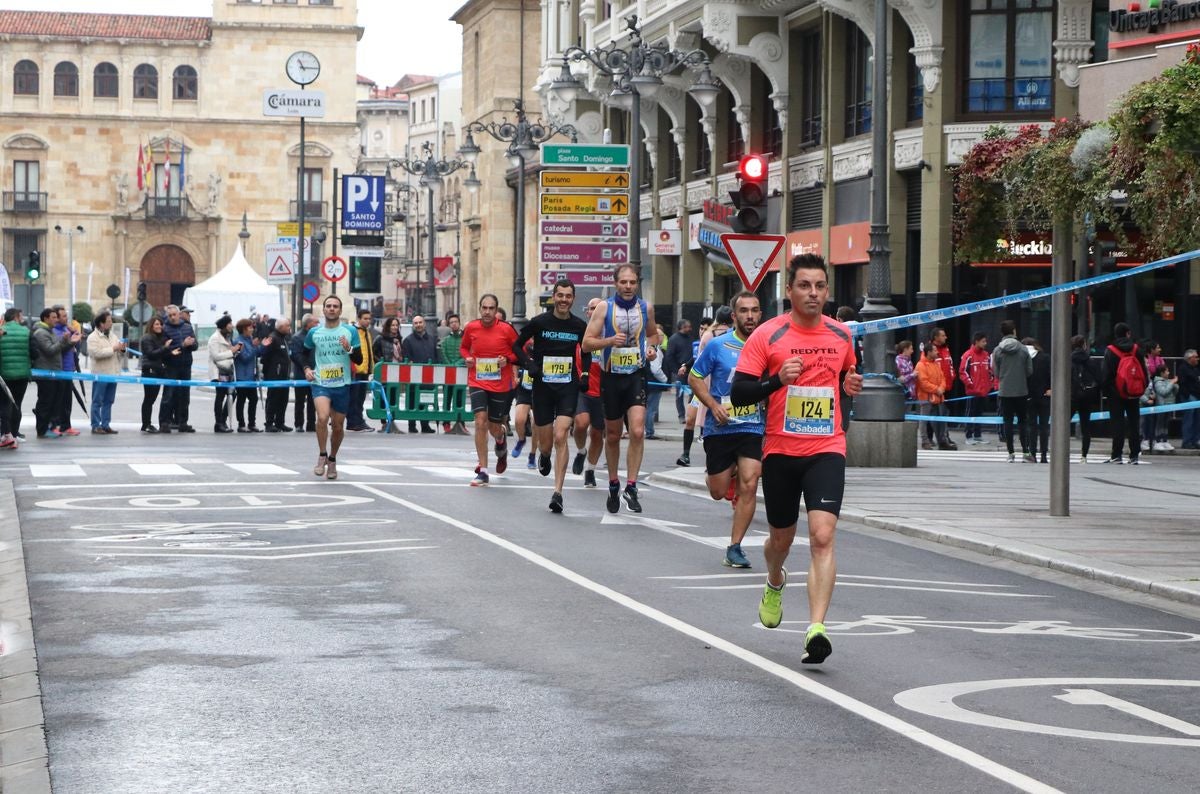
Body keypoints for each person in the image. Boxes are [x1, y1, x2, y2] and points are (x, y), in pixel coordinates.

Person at [730, 254, 863, 665]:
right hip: (780, 451)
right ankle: (774, 580)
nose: (813, 293)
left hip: (827, 448)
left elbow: (845, 379)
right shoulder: (768, 335)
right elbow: (739, 393)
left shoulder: (842, 335)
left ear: (827, 291)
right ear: (789, 291)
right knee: (781, 541)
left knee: (823, 535)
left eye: (820, 286)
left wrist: (850, 384)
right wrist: (777, 381)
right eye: (804, 286)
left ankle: (816, 628)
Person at [689, 291, 763, 570]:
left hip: (752, 426)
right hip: (720, 427)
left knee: (751, 482)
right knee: (719, 491)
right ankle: (726, 472)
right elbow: (695, 377)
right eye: (744, 311)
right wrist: (712, 405)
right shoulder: (718, 346)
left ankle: (735, 547)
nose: (750, 316)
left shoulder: (766, 346)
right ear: (734, 316)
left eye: (755, 310)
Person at [583, 264, 661, 513]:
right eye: (623, 282)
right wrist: (608, 341)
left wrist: (651, 349)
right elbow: (586, 344)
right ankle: (614, 482)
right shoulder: (605, 308)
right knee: (614, 435)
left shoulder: (645, 307)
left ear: (638, 283)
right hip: (611, 378)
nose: (628, 286)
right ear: (616, 283)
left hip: (636, 375)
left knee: (637, 431)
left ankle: (632, 485)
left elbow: (653, 335)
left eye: (632, 282)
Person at [512, 278, 590, 513]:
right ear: (554, 297)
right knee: (547, 443)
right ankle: (544, 456)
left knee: (561, 435)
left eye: (568, 296)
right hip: (543, 388)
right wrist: (529, 364)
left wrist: (584, 373)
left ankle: (558, 492)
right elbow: (517, 346)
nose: (564, 300)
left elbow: (585, 352)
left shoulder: (578, 325)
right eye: (560, 295)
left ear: (573, 299)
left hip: (567, 386)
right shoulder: (539, 322)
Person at [461, 293, 519, 486]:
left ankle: (500, 439)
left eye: (491, 308)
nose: (487, 312)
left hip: (500, 384)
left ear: (496, 310)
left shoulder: (506, 330)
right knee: (480, 421)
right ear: (480, 309)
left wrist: (507, 360)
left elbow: (519, 351)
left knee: (494, 427)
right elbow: (464, 348)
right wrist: (467, 359)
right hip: (477, 380)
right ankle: (483, 470)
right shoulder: (471, 327)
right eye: (484, 308)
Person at [302, 295, 362, 480]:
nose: (332, 309)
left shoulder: (350, 331)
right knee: (322, 417)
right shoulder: (315, 333)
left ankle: (333, 458)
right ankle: (322, 455)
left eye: (335, 306)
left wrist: (349, 349)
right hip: (321, 383)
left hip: (342, 384)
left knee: (337, 426)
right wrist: (306, 369)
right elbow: (303, 353)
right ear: (324, 310)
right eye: (328, 306)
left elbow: (359, 360)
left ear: (340, 310)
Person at [677, 313, 724, 466]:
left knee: (707, 426)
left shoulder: (715, 341)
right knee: (689, 419)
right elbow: (697, 358)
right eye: (701, 328)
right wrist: (685, 365)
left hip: (712, 388)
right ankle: (685, 454)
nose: (702, 331)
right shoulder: (699, 343)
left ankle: (711, 461)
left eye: (706, 328)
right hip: (698, 387)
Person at [572, 298, 606, 489]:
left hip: (604, 391)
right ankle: (580, 450)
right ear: (587, 312)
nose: (595, 311)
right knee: (581, 424)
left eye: (599, 308)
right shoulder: (581, 335)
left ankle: (590, 470)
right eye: (592, 308)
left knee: (597, 432)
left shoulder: (609, 336)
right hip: (583, 389)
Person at [1103, 322, 1146, 465]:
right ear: (1128, 333)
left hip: (1115, 393)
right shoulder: (1136, 349)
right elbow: (1143, 372)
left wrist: (1110, 390)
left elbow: (1106, 375)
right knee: (1134, 423)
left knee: (1117, 423)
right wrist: (1141, 388)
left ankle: (1117, 455)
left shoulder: (1110, 350)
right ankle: (1134, 455)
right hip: (1133, 392)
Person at [31, 307, 77, 439]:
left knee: (52, 403)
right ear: (46, 319)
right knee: (45, 403)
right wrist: (63, 340)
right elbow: (50, 350)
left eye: (56, 317)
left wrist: (69, 340)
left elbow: (59, 348)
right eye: (53, 317)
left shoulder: (49, 332)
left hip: (54, 373)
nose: (56, 320)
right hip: (46, 374)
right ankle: (42, 430)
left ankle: (48, 428)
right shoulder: (41, 333)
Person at [991, 320, 1033, 463]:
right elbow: (1029, 371)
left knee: (1007, 421)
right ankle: (1026, 451)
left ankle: (1011, 452)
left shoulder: (997, 350)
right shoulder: (1023, 349)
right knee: (1023, 421)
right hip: (1021, 390)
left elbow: (995, 372)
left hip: (1005, 391)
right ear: (1014, 331)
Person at [160, 304, 198, 433]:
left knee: (184, 396)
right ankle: (164, 422)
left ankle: (183, 422)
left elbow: (195, 345)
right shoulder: (164, 329)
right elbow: (165, 349)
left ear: (179, 314)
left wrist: (191, 344)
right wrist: (183, 345)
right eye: (169, 315)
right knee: (168, 395)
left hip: (186, 365)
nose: (172, 317)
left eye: (174, 315)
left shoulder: (187, 327)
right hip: (172, 365)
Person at [86, 310, 124, 434]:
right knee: (97, 400)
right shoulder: (93, 337)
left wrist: (122, 350)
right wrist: (113, 349)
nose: (111, 323)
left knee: (109, 400)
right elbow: (96, 354)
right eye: (108, 321)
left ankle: (106, 424)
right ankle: (96, 425)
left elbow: (118, 353)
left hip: (113, 373)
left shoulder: (113, 335)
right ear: (101, 324)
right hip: (101, 373)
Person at [401, 314, 438, 434]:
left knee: (425, 399)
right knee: (412, 400)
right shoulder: (408, 341)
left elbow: (435, 356)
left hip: (428, 377)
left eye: (420, 322)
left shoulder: (432, 339)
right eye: (416, 323)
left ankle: (425, 425)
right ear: (413, 325)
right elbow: (406, 359)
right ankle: (412, 425)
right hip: (414, 377)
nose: (418, 325)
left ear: (424, 324)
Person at [0, 308, 32, 444]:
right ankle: (14, 432)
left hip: (4, 374)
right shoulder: (26, 332)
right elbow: (34, 352)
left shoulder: (1, 331)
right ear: (16, 317)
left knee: (4, 404)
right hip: (22, 374)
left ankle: (5, 434)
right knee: (16, 403)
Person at [1069, 335, 1102, 463]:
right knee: (1086, 426)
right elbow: (1099, 379)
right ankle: (1084, 456)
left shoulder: (1068, 360)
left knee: (1064, 424)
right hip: (1087, 396)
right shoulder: (1091, 361)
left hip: (1072, 395)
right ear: (1084, 345)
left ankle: (1062, 450)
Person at [959, 332, 994, 445]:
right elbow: (962, 372)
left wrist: (990, 384)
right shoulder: (968, 355)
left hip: (983, 391)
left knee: (979, 413)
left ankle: (978, 435)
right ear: (977, 341)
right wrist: (971, 384)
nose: (985, 343)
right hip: (972, 391)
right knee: (970, 413)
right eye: (983, 341)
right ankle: (969, 436)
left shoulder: (986, 355)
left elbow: (990, 370)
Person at [345, 308, 377, 432]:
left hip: (364, 370)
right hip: (355, 370)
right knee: (354, 399)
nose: (368, 321)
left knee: (360, 399)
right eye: (365, 319)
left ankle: (357, 421)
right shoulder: (353, 331)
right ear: (359, 319)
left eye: (369, 319)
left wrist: (371, 370)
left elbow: (369, 352)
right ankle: (354, 422)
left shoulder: (366, 332)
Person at [438, 312, 469, 435]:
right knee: (447, 398)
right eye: (451, 322)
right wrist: (451, 365)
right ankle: (446, 423)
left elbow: (467, 353)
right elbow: (443, 354)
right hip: (448, 374)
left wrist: (457, 364)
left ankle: (461, 423)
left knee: (460, 399)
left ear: (459, 323)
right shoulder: (445, 341)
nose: (454, 324)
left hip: (460, 374)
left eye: (455, 322)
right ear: (449, 325)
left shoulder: (465, 340)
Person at [915, 344, 950, 450]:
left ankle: (942, 441)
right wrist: (937, 389)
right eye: (934, 350)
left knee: (939, 421)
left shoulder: (935, 364)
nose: (937, 352)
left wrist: (942, 388)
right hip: (926, 397)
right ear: (929, 352)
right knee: (924, 420)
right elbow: (923, 383)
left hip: (937, 397)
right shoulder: (921, 365)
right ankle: (925, 441)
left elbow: (942, 377)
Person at [373, 316, 405, 433]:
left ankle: (392, 419)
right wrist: (381, 363)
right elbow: (374, 352)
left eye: (396, 325)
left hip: (396, 371)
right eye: (392, 325)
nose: (395, 327)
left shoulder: (399, 340)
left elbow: (402, 354)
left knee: (393, 395)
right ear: (388, 326)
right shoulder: (380, 338)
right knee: (384, 395)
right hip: (385, 371)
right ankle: (384, 421)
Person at [261, 317, 293, 432]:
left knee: (283, 399)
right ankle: (269, 423)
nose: (289, 328)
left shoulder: (284, 338)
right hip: (275, 375)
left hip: (284, 376)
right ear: (281, 327)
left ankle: (280, 422)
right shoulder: (273, 338)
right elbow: (264, 357)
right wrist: (271, 370)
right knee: (273, 399)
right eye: (287, 326)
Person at [231, 318, 263, 432]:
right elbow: (244, 358)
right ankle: (241, 424)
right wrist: (254, 347)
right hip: (242, 376)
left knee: (253, 399)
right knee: (241, 400)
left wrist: (262, 346)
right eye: (250, 327)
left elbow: (257, 354)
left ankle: (252, 423)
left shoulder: (250, 339)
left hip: (251, 376)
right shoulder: (238, 342)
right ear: (244, 329)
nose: (252, 329)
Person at [52, 306, 80, 436]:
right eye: (63, 316)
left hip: (69, 369)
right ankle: (55, 424)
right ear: (56, 318)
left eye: (65, 315)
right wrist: (70, 341)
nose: (66, 318)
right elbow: (59, 349)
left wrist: (75, 334)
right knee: (59, 400)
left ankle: (66, 425)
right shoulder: (54, 332)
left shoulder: (66, 329)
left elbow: (74, 346)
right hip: (60, 370)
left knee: (68, 399)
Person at [138, 315, 168, 433]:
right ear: (151, 325)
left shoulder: (159, 338)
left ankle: (146, 424)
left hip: (157, 371)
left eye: (160, 324)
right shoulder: (147, 338)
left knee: (151, 399)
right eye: (156, 324)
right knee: (149, 399)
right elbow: (151, 353)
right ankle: (146, 424)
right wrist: (165, 348)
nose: (159, 326)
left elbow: (161, 354)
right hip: (150, 371)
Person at [1024, 337, 1051, 463]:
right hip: (1044, 394)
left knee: (1031, 425)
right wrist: (1050, 388)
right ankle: (1044, 454)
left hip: (1029, 395)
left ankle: (1032, 453)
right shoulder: (1045, 357)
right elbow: (1051, 373)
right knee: (1044, 426)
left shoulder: (1023, 358)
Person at [208, 315, 236, 433]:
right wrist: (231, 352)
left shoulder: (228, 337)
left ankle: (223, 420)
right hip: (218, 371)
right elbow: (215, 356)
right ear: (224, 325)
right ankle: (218, 423)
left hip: (228, 370)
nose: (231, 325)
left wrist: (236, 351)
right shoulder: (215, 338)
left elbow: (229, 354)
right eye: (229, 323)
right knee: (220, 396)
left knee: (232, 394)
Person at [290, 313, 318, 432]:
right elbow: (296, 355)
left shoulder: (316, 336)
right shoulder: (297, 337)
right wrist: (305, 367)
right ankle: (299, 424)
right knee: (300, 400)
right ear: (309, 324)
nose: (318, 325)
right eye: (315, 322)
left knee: (313, 401)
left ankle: (311, 424)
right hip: (301, 373)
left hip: (315, 372)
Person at [663, 318, 693, 423]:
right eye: (687, 326)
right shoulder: (674, 339)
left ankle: (690, 413)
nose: (690, 328)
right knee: (679, 394)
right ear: (682, 327)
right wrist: (676, 370)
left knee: (693, 393)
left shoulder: (690, 338)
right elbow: (669, 356)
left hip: (691, 370)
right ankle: (681, 415)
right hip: (679, 371)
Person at [1140, 340, 1165, 453]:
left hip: (1157, 387)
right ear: (1151, 350)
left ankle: (1155, 439)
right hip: (1146, 388)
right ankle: (1144, 439)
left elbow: (1162, 372)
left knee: (1156, 415)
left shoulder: (1160, 359)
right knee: (1144, 417)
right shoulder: (1144, 360)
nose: (1160, 350)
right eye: (1158, 347)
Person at [645, 324, 667, 439]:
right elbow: (656, 369)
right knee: (651, 409)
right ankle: (649, 432)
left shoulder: (647, 347)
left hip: (647, 382)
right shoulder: (655, 350)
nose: (663, 338)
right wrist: (665, 380)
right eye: (661, 336)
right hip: (654, 384)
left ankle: (648, 430)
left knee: (647, 408)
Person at [1149, 363, 1178, 452]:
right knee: (1160, 424)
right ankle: (1157, 441)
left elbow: (1175, 391)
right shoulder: (1158, 382)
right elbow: (1163, 392)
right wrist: (1172, 383)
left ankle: (1165, 440)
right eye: (1167, 371)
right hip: (1162, 405)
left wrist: (1175, 384)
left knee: (1166, 424)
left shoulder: (1167, 381)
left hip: (1169, 405)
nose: (1168, 373)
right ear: (1161, 373)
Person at [1177, 348, 1200, 449]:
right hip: (1189, 396)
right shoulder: (1183, 368)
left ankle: (1195, 440)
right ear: (1190, 358)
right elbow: (1182, 383)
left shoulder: (1196, 369)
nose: (1197, 359)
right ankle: (1187, 441)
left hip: (1197, 396)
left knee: (1197, 419)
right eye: (1196, 357)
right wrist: (1187, 395)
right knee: (1189, 419)